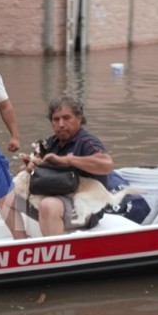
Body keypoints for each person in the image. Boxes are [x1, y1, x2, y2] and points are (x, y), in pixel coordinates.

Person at [9, 97, 135, 237]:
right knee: (5, 194)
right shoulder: (51, 142)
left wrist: (68, 160)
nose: (61, 124)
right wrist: (30, 167)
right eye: (56, 119)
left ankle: (54, 248)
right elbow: (25, 170)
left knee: (48, 205)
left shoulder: (87, 142)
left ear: (79, 119)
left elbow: (107, 165)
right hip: (55, 197)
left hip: (86, 207)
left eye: (66, 118)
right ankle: (21, 242)